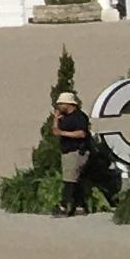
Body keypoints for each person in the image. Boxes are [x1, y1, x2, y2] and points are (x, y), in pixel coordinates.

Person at [49, 85, 106, 214]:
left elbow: (81, 133)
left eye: (61, 104)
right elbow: (55, 131)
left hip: (76, 151)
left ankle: (64, 205)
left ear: (69, 104)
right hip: (67, 151)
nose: (59, 106)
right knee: (74, 179)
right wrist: (56, 120)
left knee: (69, 180)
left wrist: (63, 133)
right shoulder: (65, 117)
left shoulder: (79, 117)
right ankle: (80, 205)